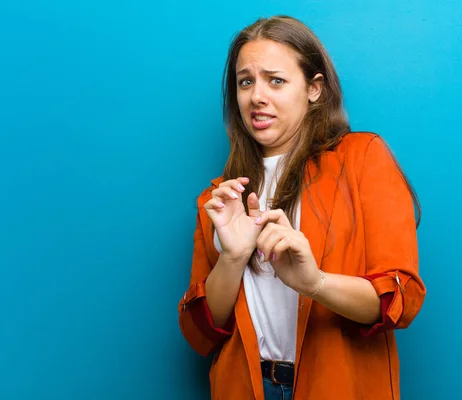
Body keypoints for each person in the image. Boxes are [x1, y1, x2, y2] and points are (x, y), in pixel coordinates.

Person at [178, 15, 426, 400]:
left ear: (314, 89)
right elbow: (202, 333)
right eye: (246, 81)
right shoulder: (220, 199)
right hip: (245, 387)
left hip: (336, 386)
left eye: (275, 80)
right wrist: (233, 258)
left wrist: (315, 284)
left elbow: (400, 299)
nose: (256, 96)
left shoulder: (362, 159)